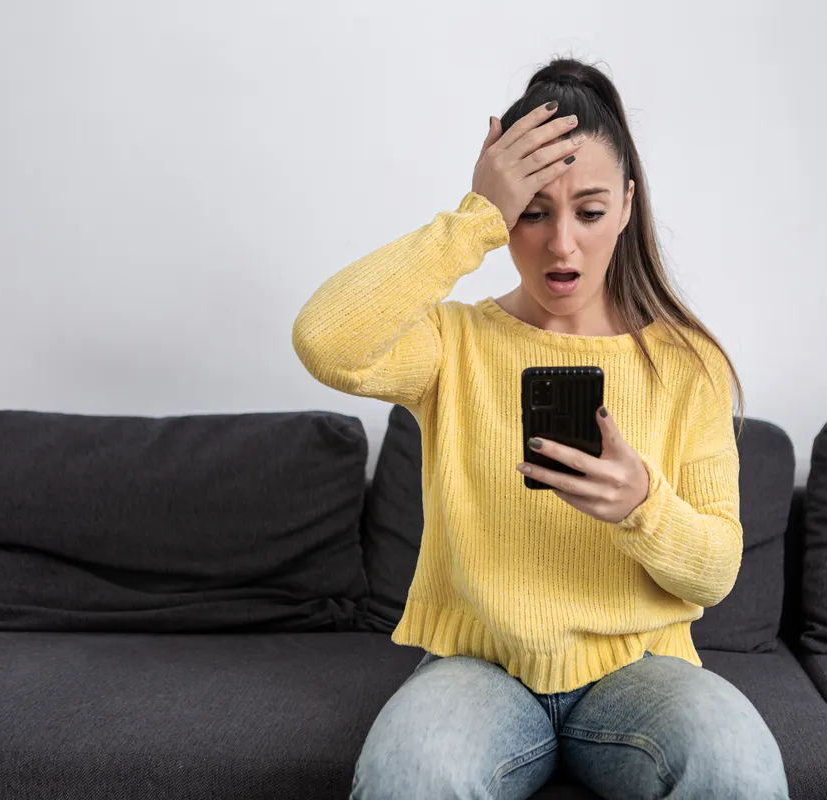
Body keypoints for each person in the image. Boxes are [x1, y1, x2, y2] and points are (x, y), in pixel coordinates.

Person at [292, 56, 789, 800]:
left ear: (626, 204)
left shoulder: (689, 364)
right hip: (478, 670)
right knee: (412, 774)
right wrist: (473, 219)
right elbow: (324, 339)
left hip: (640, 672)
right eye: (532, 212)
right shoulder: (450, 345)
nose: (562, 246)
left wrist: (642, 506)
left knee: (737, 764)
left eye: (589, 212)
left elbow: (716, 571)